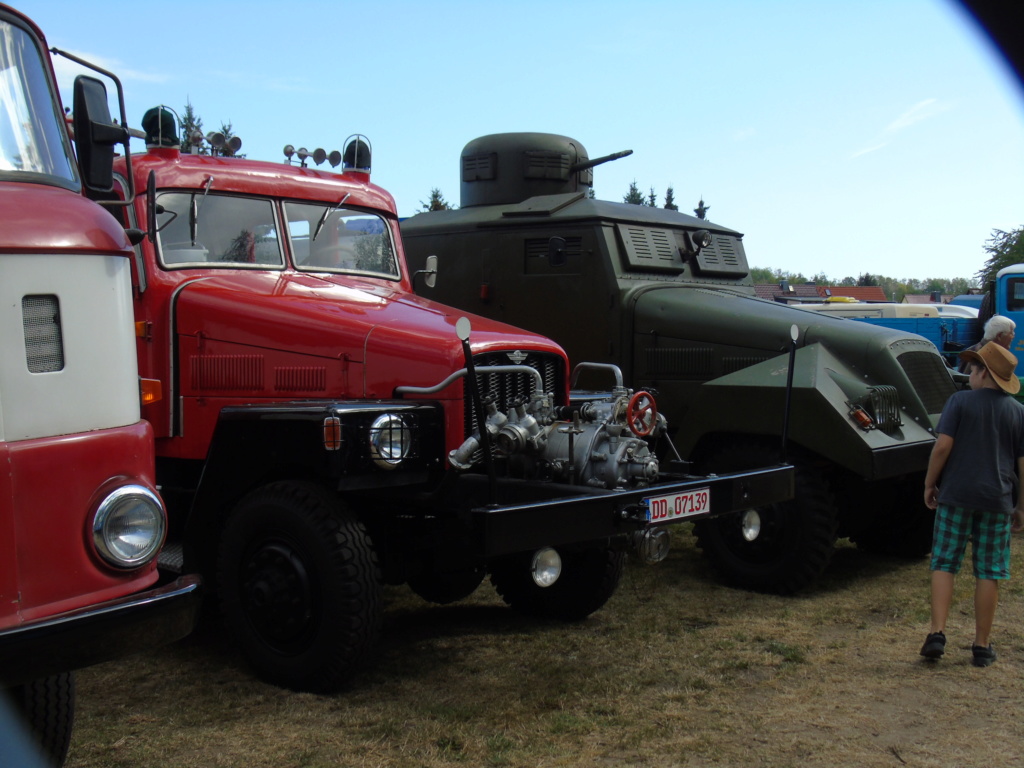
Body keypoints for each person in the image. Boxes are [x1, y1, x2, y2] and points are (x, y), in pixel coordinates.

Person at [921, 341, 1024, 666]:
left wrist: (929, 483)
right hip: (997, 500)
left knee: (944, 562)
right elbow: (1023, 464)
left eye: (972, 369)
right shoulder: (1018, 411)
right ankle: (981, 646)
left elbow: (942, 447)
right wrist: (1020, 505)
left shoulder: (959, 401)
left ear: (982, 373)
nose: (969, 374)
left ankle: (937, 633)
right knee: (989, 571)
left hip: (957, 496)